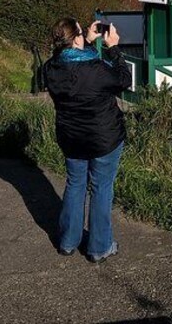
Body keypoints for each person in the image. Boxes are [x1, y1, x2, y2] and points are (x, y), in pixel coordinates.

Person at [44, 17, 132, 262]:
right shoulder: (96, 69)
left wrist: (91, 43)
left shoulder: (51, 68)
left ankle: (68, 241)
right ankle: (99, 247)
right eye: (82, 33)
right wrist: (113, 48)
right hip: (104, 138)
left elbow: (78, 70)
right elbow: (124, 80)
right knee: (101, 188)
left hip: (71, 137)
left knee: (75, 185)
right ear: (75, 39)